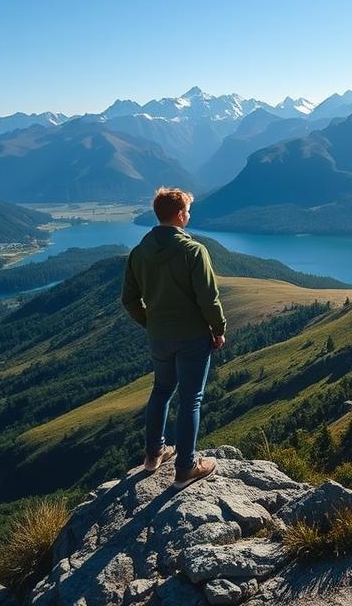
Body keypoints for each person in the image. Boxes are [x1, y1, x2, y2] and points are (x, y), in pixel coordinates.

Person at [121, 187, 227, 488]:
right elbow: (209, 298)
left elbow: (129, 299)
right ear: (180, 214)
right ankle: (185, 468)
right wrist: (218, 329)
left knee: (161, 390)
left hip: (159, 337)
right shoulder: (193, 251)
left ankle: (154, 455)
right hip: (193, 337)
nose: (189, 215)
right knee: (191, 399)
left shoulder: (139, 253)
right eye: (188, 211)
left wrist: (151, 323)